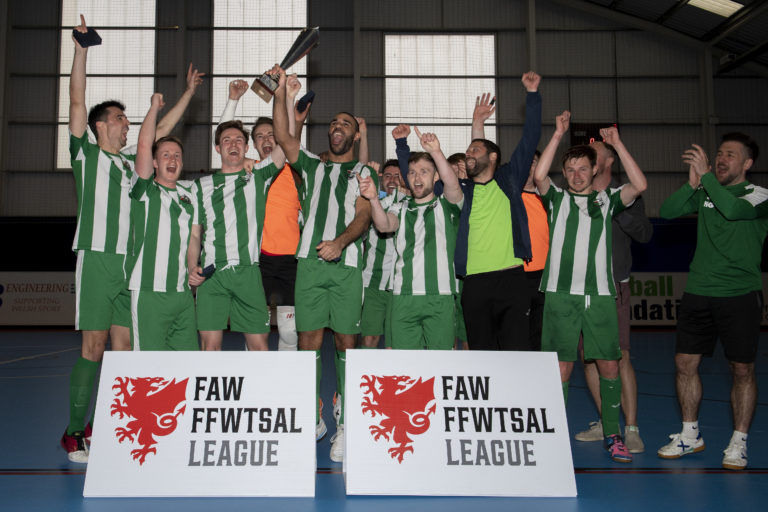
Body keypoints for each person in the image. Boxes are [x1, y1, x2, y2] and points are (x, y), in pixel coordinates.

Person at [62, 14, 203, 463]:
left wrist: (187, 95)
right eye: (120, 119)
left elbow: (157, 134)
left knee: (124, 350)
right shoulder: (85, 152)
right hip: (99, 260)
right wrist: (82, 49)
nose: (126, 125)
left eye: (127, 120)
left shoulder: (131, 168)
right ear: (102, 127)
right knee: (94, 347)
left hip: (132, 267)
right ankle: (73, 432)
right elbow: (78, 99)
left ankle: (116, 426)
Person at [272, 65, 376, 463]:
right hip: (310, 266)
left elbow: (364, 216)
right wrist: (283, 90)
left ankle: (346, 423)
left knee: (346, 343)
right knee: (307, 342)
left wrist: (339, 242)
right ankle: (312, 415)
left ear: (354, 134)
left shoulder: (364, 171)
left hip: (346, 265)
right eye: (333, 122)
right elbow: (284, 135)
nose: (337, 127)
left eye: (345, 123)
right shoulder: (311, 167)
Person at [533, 112, 648, 463]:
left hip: (599, 295)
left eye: (584, 168)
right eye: (570, 170)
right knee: (562, 368)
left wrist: (616, 144)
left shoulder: (607, 200)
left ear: (595, 170)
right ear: (564, 174)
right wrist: (557, 135)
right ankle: (554, 438)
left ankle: (613, 435)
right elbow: (539, 175)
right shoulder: (555, 198)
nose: (577, 175)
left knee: (609, 366)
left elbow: (640, 185)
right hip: (560, 295)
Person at [658, 133, 768, 470]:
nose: (721, 159)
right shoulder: (706, 189)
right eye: (719, 153)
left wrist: (706, 178)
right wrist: (692, 185)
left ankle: (739, 441)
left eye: (730, 155)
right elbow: (667, 211)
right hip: (698, 292)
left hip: (739, 295)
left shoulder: (759, 195)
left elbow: (734, 210)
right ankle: (690, 435)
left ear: (747, 164)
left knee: (742, 369)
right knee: (684, 364)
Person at [188, 92, 286, 351]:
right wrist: (191, 267)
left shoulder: (259, 177)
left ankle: (260, 393)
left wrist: (283, 96)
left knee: (259, 347)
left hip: (248, 272)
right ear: (218, 148)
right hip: (212, 274)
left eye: (239, 140)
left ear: (246, 147)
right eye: (226, 140)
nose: (233, 144)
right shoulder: (201, 186)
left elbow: (284, 144)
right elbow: (195, 235)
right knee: (209, 348)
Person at [219, 77, 308, 351]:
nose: (267, 140)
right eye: (259, 136)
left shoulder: (297, 172)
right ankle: (255, 381)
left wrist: (288, 97)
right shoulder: (249, 170)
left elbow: (289, 138)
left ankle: (285, 384)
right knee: (254, 328)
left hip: (291, 260)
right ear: (252, 145)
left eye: (271, 134)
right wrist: (233, 100)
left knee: (291, 332)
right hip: (257, 260)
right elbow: (223, 143)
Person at [574, 140, 653, 453]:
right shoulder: (576, 194)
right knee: (588, 359)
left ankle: (631, 428)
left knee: (619, 357)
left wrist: (615, 209)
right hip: (581, 289)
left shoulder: (626, 194)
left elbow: (645, 234)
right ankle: (609, 425)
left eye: (596, 150)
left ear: (606, 162)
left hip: (613, 286)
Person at [457, 72, 542, 351]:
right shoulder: (463, 190)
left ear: (493, 157)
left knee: (516, 351)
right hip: (474, 284)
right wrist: (477, 122)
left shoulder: (509, 180)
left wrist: (532, 95)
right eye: (467, 151)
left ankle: (517, 397)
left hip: (511, 279)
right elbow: (479, 153)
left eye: (474, 149)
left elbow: (529, 138)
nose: (468, 154)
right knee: (482, 355)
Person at [359, 128, 463, 350]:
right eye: (413, 172)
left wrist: (436, 152)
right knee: (404, 366)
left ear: (436, 177)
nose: (417, 178)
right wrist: (373, 200)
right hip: (403, 296)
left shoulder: (447, 205)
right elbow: (384, 225)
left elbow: (453, 185)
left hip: (440, 295)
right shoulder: (400, 206)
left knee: (441, 361)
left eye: (424, 172)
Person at [127, 93, 198, 351]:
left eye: (177, 156)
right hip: (149, 291)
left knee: (186, 367)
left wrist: (193, 267)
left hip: (182, 294)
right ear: (155, 163)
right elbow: (144, 146)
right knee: (147, 369)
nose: (172, 160)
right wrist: (153, 109)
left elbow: (193, 237)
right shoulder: (144, 190)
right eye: (166, 155)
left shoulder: (189, 195)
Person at [360, 160, 408, 350]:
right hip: (373, 281)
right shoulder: (371, 203)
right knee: (369, 339)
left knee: (394, 342)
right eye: (388, 175)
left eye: (397, 176)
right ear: (380, 179)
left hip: (401, 284)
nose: (392, 180)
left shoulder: (412, 203)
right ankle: (362, 378)